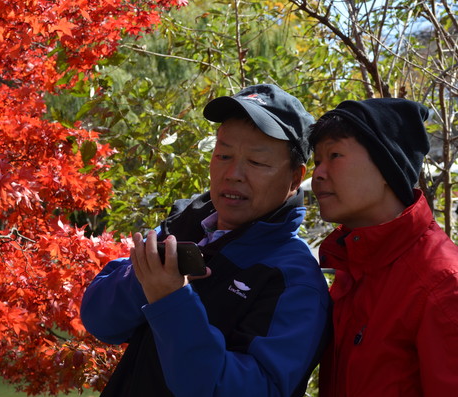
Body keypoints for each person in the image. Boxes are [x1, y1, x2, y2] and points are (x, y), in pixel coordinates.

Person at [80, 84, 332, 397]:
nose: (233, 173)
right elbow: (100, 321)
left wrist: (170, 300)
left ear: (295, 178)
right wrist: (145, 278)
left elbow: (253, 389)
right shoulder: (184, 228)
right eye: (223, 155)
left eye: (256, 162)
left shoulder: (294, 281)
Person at [309, 98, 458, 397]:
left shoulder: (442, 284)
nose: (318, 174)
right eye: (317, 161)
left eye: (335, 155)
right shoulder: (354, 265)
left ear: (388, 168)